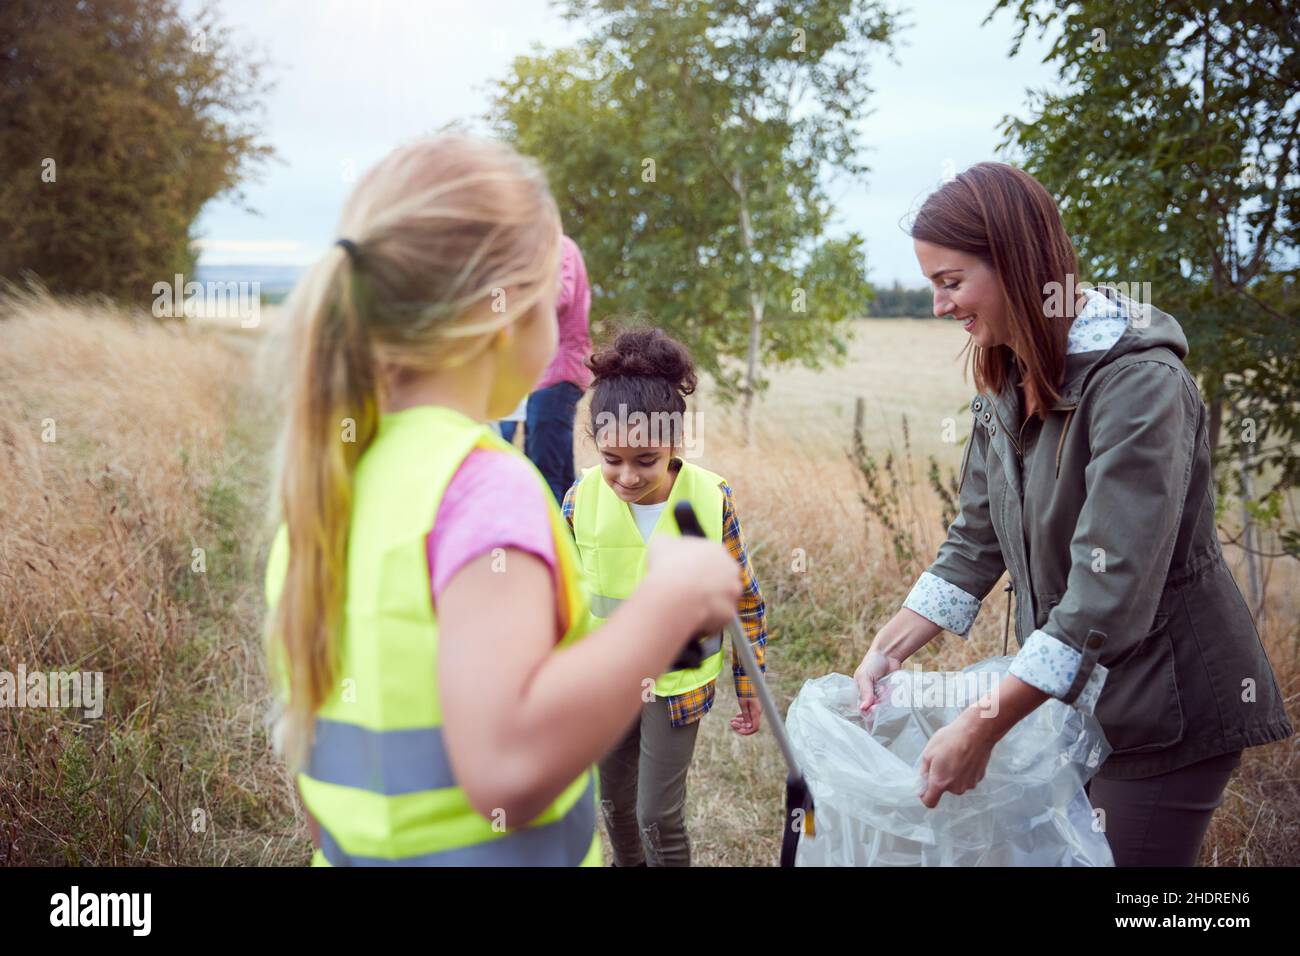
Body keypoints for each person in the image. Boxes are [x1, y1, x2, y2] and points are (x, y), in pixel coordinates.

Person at [262, 135, 741, 866]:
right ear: (508, 314)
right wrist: (669, 607)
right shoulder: (485, 488)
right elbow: (506, 772)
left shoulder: (329, 481)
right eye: (558, 300)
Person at [854, 161, 1293, 867]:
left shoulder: (1140, 385)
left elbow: (1105, 596)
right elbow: (975, 539)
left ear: (1017, 264)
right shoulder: (1011, 370)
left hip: (1163, 715)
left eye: (951, 282)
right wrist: (891, 647)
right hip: (1074, 705)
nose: (939, 306)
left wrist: (983, 723)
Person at [562, 327, 768, 867]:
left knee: (656, 811)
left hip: (678, 683)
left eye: (645, 460)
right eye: (612, 459)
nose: (626, 476)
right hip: (607, 680)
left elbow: (743, 595)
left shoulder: (710, 497)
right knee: (613, 802)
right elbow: (558, 600)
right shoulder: (578, 498)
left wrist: (749, 681)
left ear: (675, 442)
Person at [500, 234, 593, 502]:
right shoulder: (551, 247)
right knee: (560, 472)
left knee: (543, 476)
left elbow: (560, 296)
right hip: (551, 376)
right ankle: (575, 538)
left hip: (558, 373)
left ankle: (552, 541)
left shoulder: (557, 246)